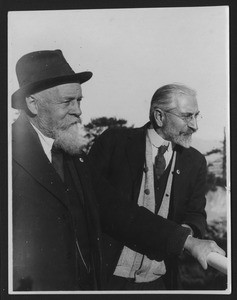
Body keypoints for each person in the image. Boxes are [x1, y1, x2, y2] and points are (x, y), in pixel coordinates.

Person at [88, 83, 226, 290]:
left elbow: (196, 214)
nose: (195, 125)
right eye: (187, 116)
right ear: (159, 116)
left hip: (158, 283)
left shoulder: (195, 161)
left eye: (196, 115)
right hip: (106, 279)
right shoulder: (113, 143)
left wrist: (185, 233)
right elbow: (96, 205)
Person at [12, 50, 103, 291]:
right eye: (67, 102)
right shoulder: (3, 155)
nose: (78, 111)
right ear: (32, 104)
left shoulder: (73, 155)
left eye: (79, 100)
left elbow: (116, 209)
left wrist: (183, 241)